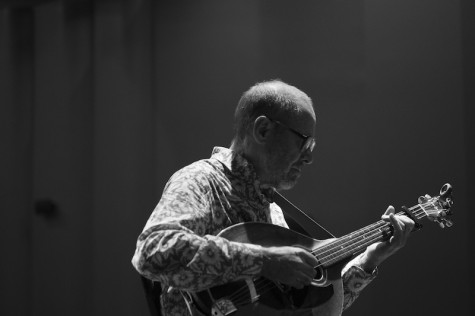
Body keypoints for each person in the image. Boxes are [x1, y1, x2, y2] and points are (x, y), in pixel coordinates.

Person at [131, 80, 415, 316]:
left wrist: (368, 261)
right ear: (263, 129)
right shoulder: (201, 181)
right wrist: (264, 261)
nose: (310, 157)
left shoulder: (273, 212)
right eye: (304, 141)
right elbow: (153, 251)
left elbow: (299, 307)